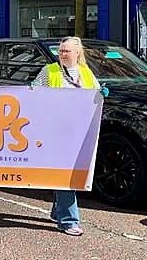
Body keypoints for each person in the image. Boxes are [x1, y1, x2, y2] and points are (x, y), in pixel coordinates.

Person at [33, 36, 100, 237]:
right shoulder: (50, 71)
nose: (62, 54)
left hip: (77, 132)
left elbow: (95, 93)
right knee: (66, 176)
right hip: (56, 131)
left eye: (66, 51)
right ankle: (68, 220)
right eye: (60, 51)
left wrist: (102, 93)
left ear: (77, 53)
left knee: (66, 175)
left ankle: (58, 211)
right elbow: (34, 92)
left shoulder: (86, 73)